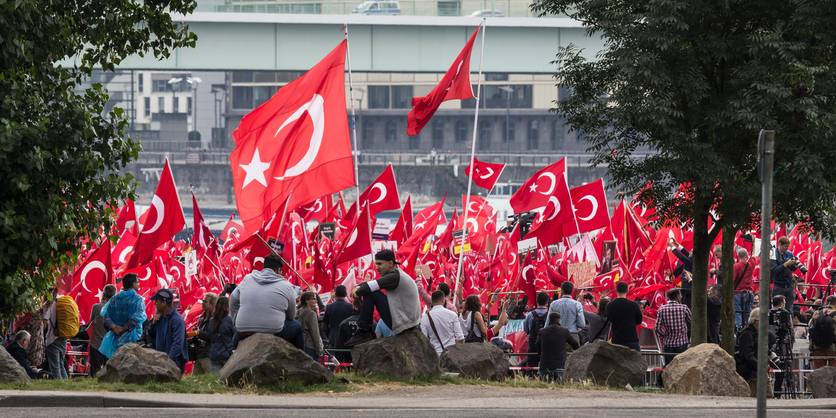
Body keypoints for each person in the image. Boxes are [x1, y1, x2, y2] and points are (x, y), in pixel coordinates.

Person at [344, 249, 421, 347]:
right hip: (405, 323)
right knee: (370, 291)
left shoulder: (396, 276)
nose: (377, 268)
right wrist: (357, 288)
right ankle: (364, 330)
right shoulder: (395, 274)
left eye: (380, 264)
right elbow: (369, 284)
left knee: (370, 292)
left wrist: (357, 293)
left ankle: (363, 331)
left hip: (405, 325)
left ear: (390, 263)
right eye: (376, 264)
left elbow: (368, 287)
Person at [230, 254, 304, 350]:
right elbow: (291, 316)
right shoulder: (287, 285)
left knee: (234, 345)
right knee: (297, 325)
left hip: (244, 330)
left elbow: (232, 300)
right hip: (274, 331)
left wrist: (236, 321)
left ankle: (233, 355)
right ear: (278, 270)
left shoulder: (247, 279)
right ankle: (299, 361)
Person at [99, 274, 147, 359]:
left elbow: (107, 315)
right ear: (133, 284)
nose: (139, 283)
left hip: (114, 340)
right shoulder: (138, 299)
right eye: (137, 282)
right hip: (132, 340)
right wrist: (124, 328)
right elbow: (137, 318)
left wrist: (114, 327)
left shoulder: (114, 298)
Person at [148, 288, 188, 373]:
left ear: (164, 303)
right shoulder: (159, 317)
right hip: (162, 360)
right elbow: (150, 334)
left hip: (173, 363)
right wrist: (153, 323)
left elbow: (177, 344)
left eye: (156, 301)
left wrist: (168, 361)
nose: (155, 304)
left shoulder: (177, 320)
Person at [736, 307, 774, 398]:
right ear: (757, 321)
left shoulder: (757, 333)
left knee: (768, 396)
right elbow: (747, 355)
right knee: (757, 397)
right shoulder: (747, 334)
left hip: (759, 371)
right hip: (753, 373)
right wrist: (760, 365)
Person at [536, 312, 579, 382]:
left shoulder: (542, 331)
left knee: (543, 389)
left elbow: (537, 346)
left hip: (545, 365)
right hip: (560, 365)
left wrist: (540, 353)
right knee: (560, 390)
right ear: (559, 321)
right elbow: (575, 344)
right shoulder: (564, 331)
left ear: (549, 321)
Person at [334, 295, 376, 364]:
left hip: (349, 359)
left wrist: (340, 362)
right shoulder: (372, 323)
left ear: (354, 307)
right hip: (367, 360)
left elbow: (339, 344)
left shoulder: (344, 323)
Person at [421, 290, 464, 355]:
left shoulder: (425, 318)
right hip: (450, 354)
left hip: (435, 354)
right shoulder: (452, 315)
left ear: (432, 301)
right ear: (443, 300)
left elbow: (424, 339)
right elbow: (460, 337)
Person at [655, 288, 691, 364]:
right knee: (681, 366)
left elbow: (657, 328)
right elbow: (693, 320)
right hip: (682, 343)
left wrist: (664, 336)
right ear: (677, 296)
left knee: (669, 367)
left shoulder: (661, 309)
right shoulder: (684, 308)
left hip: (668, 344)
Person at [88, 284, 117, 376]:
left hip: (97, 344)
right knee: (109, 373)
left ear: (103, 294)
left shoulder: (96, 307)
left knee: (94, 372)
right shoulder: (118, 308)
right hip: (111, 345)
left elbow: (91, 321)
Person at [607, 281, 643, 351]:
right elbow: (639, 321)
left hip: (617, 339)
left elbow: (610, 319)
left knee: (617, 361)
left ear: (616, 290)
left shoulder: (609, 305)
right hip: (632, 339)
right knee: (635, 361)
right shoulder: (634, 305)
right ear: (627, 290)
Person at [42, 288, 68, 379]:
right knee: (61, 364)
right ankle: (66, 386)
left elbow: (44, 325)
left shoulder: (48, 304)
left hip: (52, 338)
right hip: (64, 336)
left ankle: (59, 388)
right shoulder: (63, 300)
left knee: (55, 366)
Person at [191, 292, 217, 375]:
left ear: (212, 305)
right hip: (199, 354)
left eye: (205, 301)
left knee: (210, 381)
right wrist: (195, 332)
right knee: (194, 382)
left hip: (208, 355)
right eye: (203, 301)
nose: (202, 303)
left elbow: (212, 335)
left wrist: (198, 332)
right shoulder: (202, 317)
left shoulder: (215, 318)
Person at [206, 296, 234, 373]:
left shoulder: (212, 321)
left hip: (214, 354)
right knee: (228, 379)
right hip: (226, 353)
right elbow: (234, 334)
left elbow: (210, 336)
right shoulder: (229, 320)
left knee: (216, 380)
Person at [770, 236, 798, 314]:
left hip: (789, 285)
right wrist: (786, 264)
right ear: (780, 244)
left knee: (789, 309)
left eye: (787, 246)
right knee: (777, 308)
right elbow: (774, 270)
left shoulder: (789, 254)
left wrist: (794, 265)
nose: (787, 248)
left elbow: (792, 269)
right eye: (785, 246)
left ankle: (790, 325)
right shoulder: (773, 254)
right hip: (778, 285)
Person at [523, 292, 550, 370]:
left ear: (536, 301)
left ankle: (530, 379)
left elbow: (525, 330)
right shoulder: (549, 314)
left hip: (532, 343)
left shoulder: (530, 314)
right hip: (546, 344)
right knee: (546, 366)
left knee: (531, 365)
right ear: (547, 302)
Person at [808, 295, 836, 369]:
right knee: (833, 372)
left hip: (818, 347)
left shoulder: (817, 313)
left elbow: (810, 329)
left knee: (818, 371)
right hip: (833, 348)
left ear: (826, 303)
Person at [733, 247, 757, 326]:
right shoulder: (751, 264)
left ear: (737, 255)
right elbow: (754, 256)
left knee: (738, 313)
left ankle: (740, 330)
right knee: (748, 314)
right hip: (749, 292)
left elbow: (732, 279)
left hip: (738, 293)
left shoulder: (736, 266)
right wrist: (753, 243)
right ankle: (748, 329)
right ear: (747, 255)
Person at [297, 291, 323, 362]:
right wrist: (319, 350)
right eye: (313, 299)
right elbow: (315, 333)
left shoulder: (297, 312)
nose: (316, 300)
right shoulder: (312, 314)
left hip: (299, 344)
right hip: (310, 347)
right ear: (307, 301)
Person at [668, 239, 693, 307]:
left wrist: (672, 246)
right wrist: (677, 244)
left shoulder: (692, 260)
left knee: (687, 305)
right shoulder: (692, 258)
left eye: (691, 251)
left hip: (688, 289)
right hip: (686, 287)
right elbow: (685, 252)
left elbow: (681, 257)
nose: (689, 252)